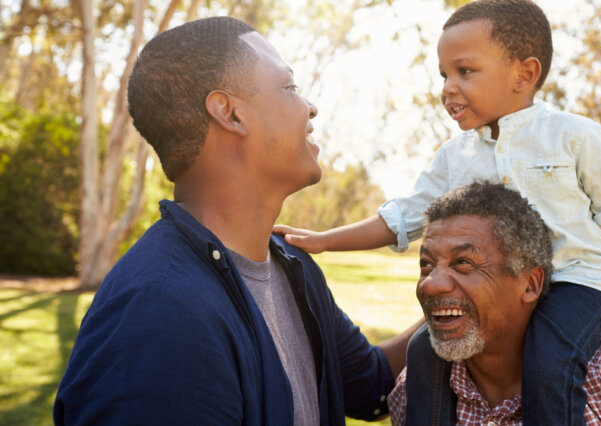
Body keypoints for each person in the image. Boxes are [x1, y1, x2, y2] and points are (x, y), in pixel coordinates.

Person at [274, 0, 601, 423]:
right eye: (444, 74)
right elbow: (402, 218)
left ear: (525, 74)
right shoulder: (453, 157)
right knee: (422, 351)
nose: (448, 87)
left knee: (551, 358)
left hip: (579, 284)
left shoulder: (575, 137)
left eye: (465, 71)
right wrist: (324, 241)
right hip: (497, 293)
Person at [54, 17, 418, 426]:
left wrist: (465, 303)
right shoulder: (160, 313)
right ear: (230, 113)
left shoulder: (292, 266)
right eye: (290, 88)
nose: (311, 107)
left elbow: (371, 385)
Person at [387, 181, 601, 425]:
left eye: (464, 263)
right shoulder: (413, 391)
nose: (430, 284)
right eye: (426, 266)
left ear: (531, 283)